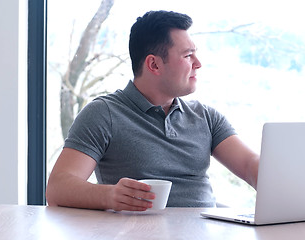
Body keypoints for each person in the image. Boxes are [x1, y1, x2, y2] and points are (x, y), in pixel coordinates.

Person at [46, 10, 259, 211]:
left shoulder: (206, 117)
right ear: (154, 65)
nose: (198, 63)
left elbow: (250, 166)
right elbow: (58, 188)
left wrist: (283, 178)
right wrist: (110, 196)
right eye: (187, 55)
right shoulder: (103, 114)